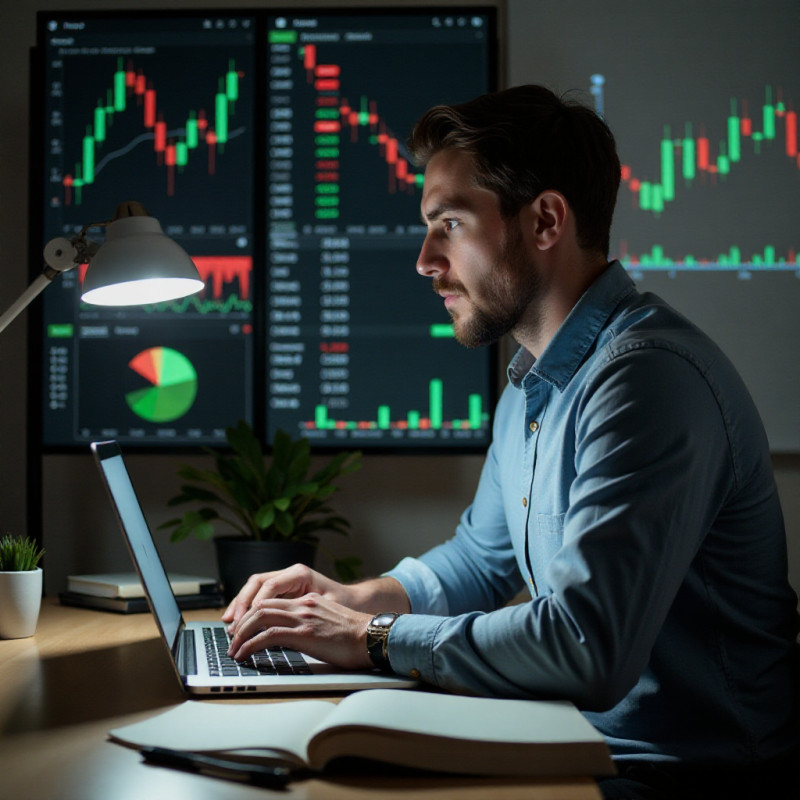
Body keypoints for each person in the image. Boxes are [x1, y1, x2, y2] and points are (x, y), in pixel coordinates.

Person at [224, 85, 800, 798]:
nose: (425, 259)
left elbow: (586, 647)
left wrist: (370, 639)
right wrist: (358, 597)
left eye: (450, 224)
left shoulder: (646, 382)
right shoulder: (532, 379)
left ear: (546, 221)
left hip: (679, 776)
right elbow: (480, 558)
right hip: (582, 744)